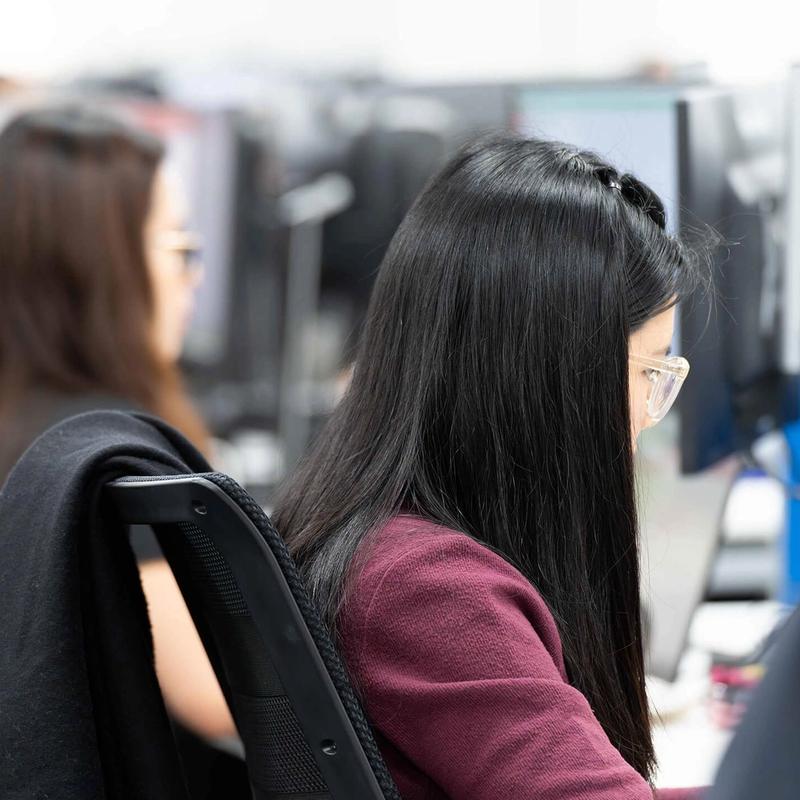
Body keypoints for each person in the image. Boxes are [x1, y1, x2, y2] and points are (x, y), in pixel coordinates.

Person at [272, 135, 705, 798]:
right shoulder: (428, 592)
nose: (650, 412)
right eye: (648, 371)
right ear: (547, 377)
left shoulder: (396, 545)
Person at [0, 106, 234, 742]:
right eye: (181, 249)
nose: (197, 276)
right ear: (100, 267)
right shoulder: (105, 449)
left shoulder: (26, 423)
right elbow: (219, 694)